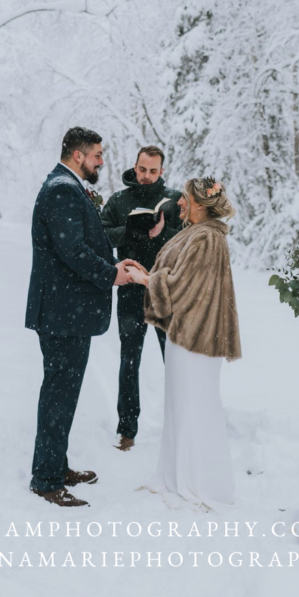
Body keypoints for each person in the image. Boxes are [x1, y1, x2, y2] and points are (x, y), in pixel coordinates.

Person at [25, 127, 144, 508]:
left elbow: (82, 244)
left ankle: (56, 466)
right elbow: (71, 250)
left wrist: (114, 263)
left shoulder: (67, 185)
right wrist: (112, 275)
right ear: (78, 155)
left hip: (66, 312)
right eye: (96, 155)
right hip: (62, 314)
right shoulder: (62, 188)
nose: (101, 161)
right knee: (59, 394)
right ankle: (45, 478)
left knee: (63, 393)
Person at [137, 177, 241, 511]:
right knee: (181, 406)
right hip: (188, 335)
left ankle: (201, 482)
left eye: (184, 198)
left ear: (199, 202)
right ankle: (177, 474)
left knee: (196, 406)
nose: (179, 202)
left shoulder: (207, 238)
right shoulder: (197, 233)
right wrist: (151, 274)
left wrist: (145, 280)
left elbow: (182, 288)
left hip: (196, 338)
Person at [101, 145, 183, 451]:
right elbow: (99, 232)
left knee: (174, 359)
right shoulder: (119, 200)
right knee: (129, 360)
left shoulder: (176, 200)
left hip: (166, 290)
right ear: (134, 167)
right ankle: (127, 430)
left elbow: (192, 239)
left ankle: (179, 424)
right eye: (142, 170)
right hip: (131, 290)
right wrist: (131, 232)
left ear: (162, 171)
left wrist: (162, 231)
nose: (146, 176)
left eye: (153, 171)